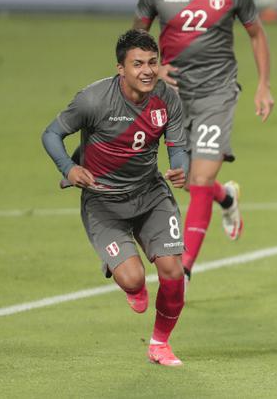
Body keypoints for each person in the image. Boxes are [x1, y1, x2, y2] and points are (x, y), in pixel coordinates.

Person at [42, 30, 188, 366]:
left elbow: (177, 146)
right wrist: (68, 168)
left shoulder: (167, 98)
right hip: (104, 203)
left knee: (172, 271)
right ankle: (127, 277)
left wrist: (179, 167)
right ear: (120, 68)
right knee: (133, 278)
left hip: (150, 195)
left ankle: (159, 344)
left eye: (153, 62)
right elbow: (51, 134)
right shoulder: (93, 100)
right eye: (137, 64)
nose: (147, 71)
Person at [133, 0, 275, 281]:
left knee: (199, 179)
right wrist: (153, 68)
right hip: (174, 96)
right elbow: (137, 36)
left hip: (217, 94)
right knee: (187, 180)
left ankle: (183, 269)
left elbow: (256, 34)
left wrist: (263, 85)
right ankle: (225, 196)